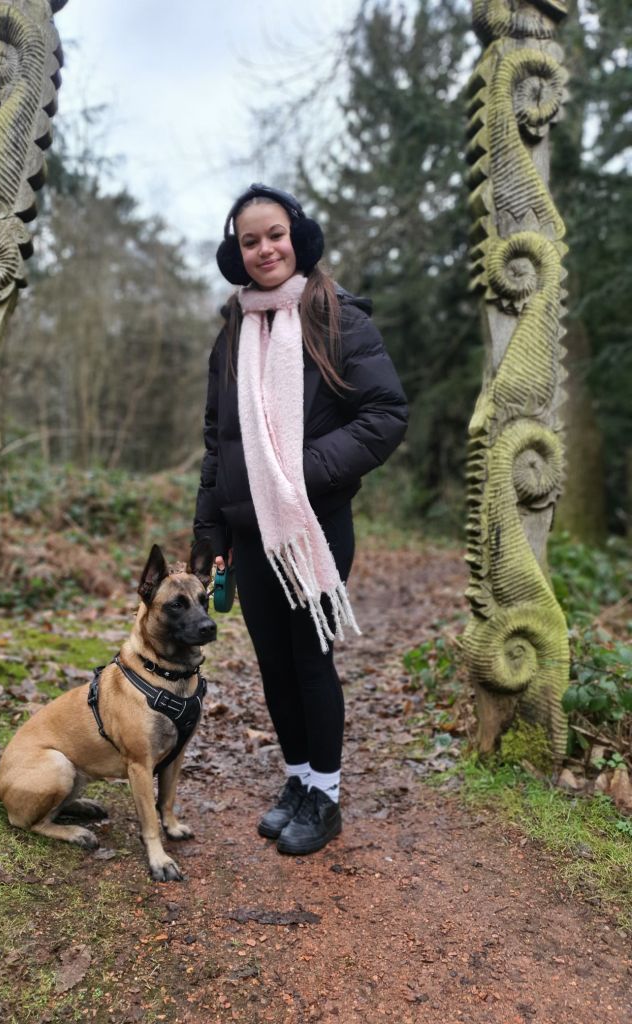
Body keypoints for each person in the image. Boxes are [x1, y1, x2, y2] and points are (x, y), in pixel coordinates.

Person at [194, 183, 407, 855]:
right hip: (248, 529)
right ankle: (297, 779)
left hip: (314, 523)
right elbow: (218, 442)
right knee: (274, 664)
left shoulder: (337, 318)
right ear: (237, 252)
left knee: (311, 659)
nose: (265, 249)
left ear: (298, 238)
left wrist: (301, 470)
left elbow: (385, 415)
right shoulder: (232, 332)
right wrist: (210, 534)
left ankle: (327, 796)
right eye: (250, 240)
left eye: (275, 234)